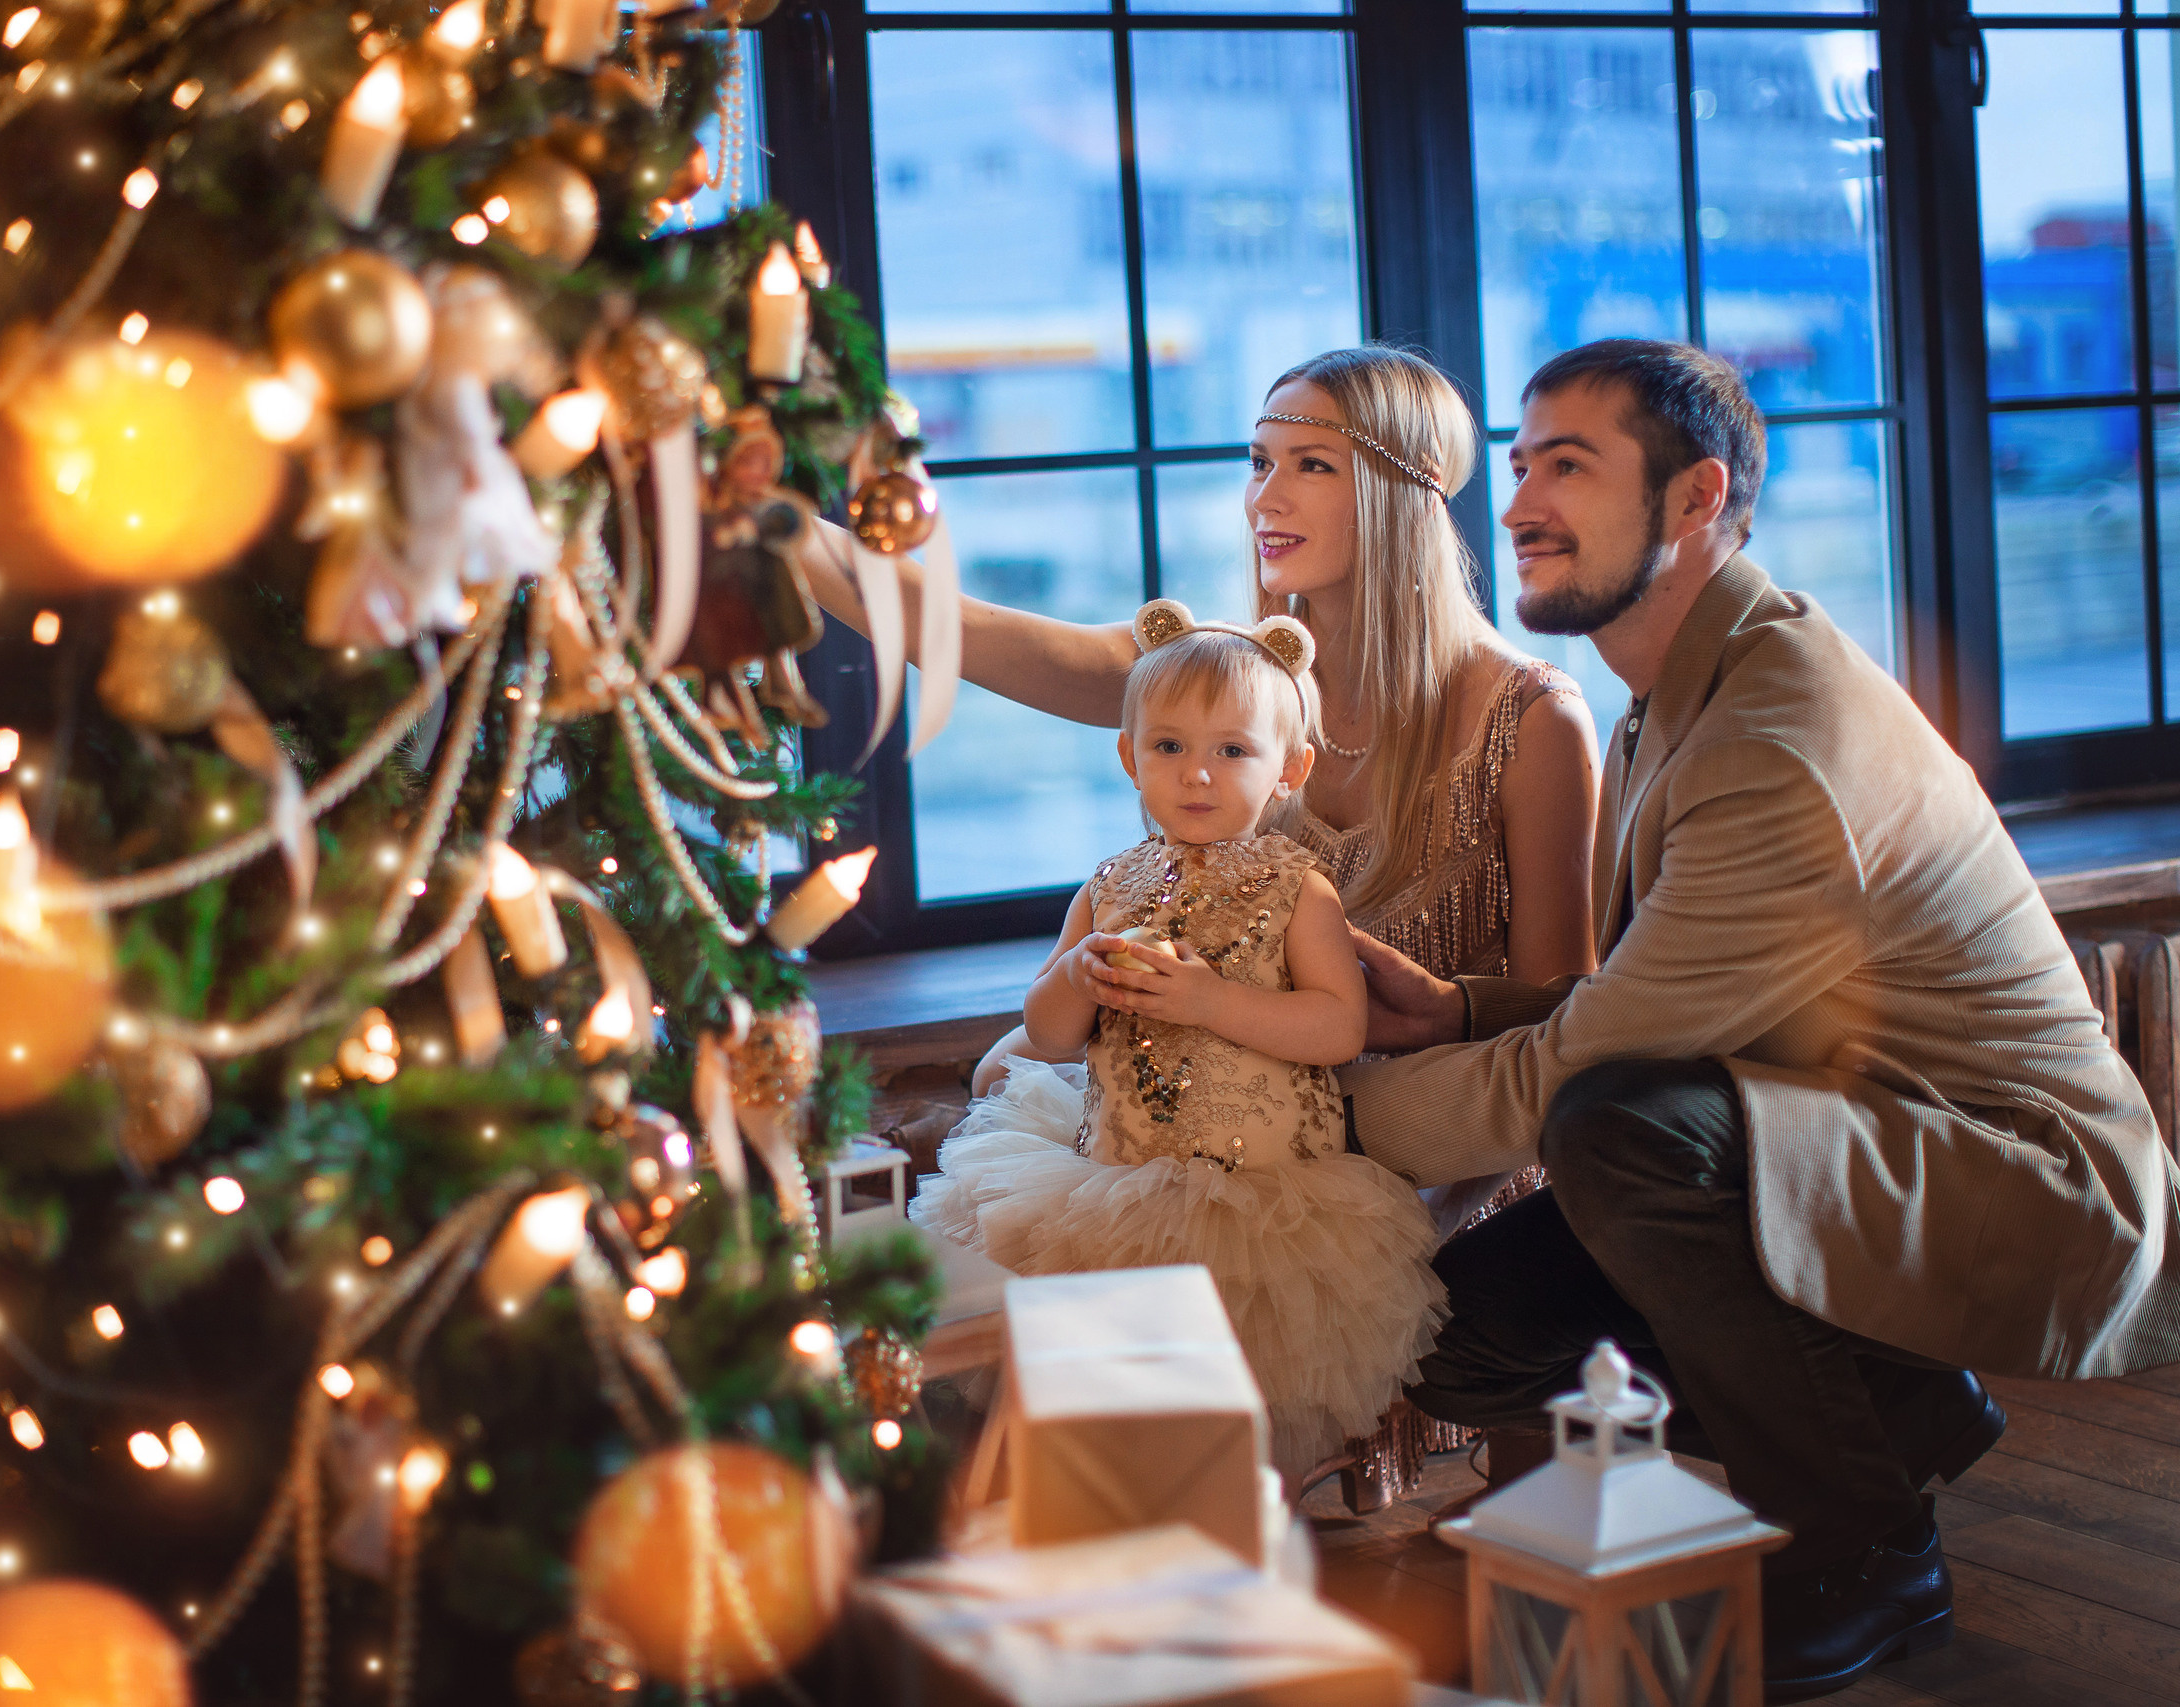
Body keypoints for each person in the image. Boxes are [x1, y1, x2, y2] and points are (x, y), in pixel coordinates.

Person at [1336, 338, 2180, 1701]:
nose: (1518, 505)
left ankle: (1866, 1550)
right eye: (1520, 464)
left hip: (2016, 1173)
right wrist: (1457, 1009)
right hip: (1829, 1128)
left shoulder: (1778, 732)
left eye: (1568, 466)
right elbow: (1655, 992)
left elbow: (1602, 1061)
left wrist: (1326, 1117)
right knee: (1455, 1333)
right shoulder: (1673, 686)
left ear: (1694, 497)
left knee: (1618, 1129)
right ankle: (1896, 1405)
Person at [796, 345, 1600, 1508]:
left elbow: (1561, 1006)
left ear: (1402, 489)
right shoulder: (1229, 674)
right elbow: (968, 631)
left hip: (1416, 1119)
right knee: (1010, 1076)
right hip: (1212, 1089)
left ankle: (1179, 1510)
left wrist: (1422, 1098)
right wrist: (782, 530)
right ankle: (1062, 1505)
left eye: (1310, 464)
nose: (1265, 497)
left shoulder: (1530, 717)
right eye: (1258, 460)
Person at [908, 606, 1446, 1481]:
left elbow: (1338, 1027)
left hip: (1261, 1204)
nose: (1197, 772)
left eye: (1232, 750)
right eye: (1169, 746)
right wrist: (1075, 976)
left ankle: (1238, 1514)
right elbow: (1047, 1035)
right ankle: (1122, 1505)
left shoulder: (1299, 889)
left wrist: (1211, 999)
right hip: (1112, 1187)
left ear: (1289, 769)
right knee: (1114, 1402)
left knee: (1236, 1411)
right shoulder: (1107, 886)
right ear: (1130, 757)